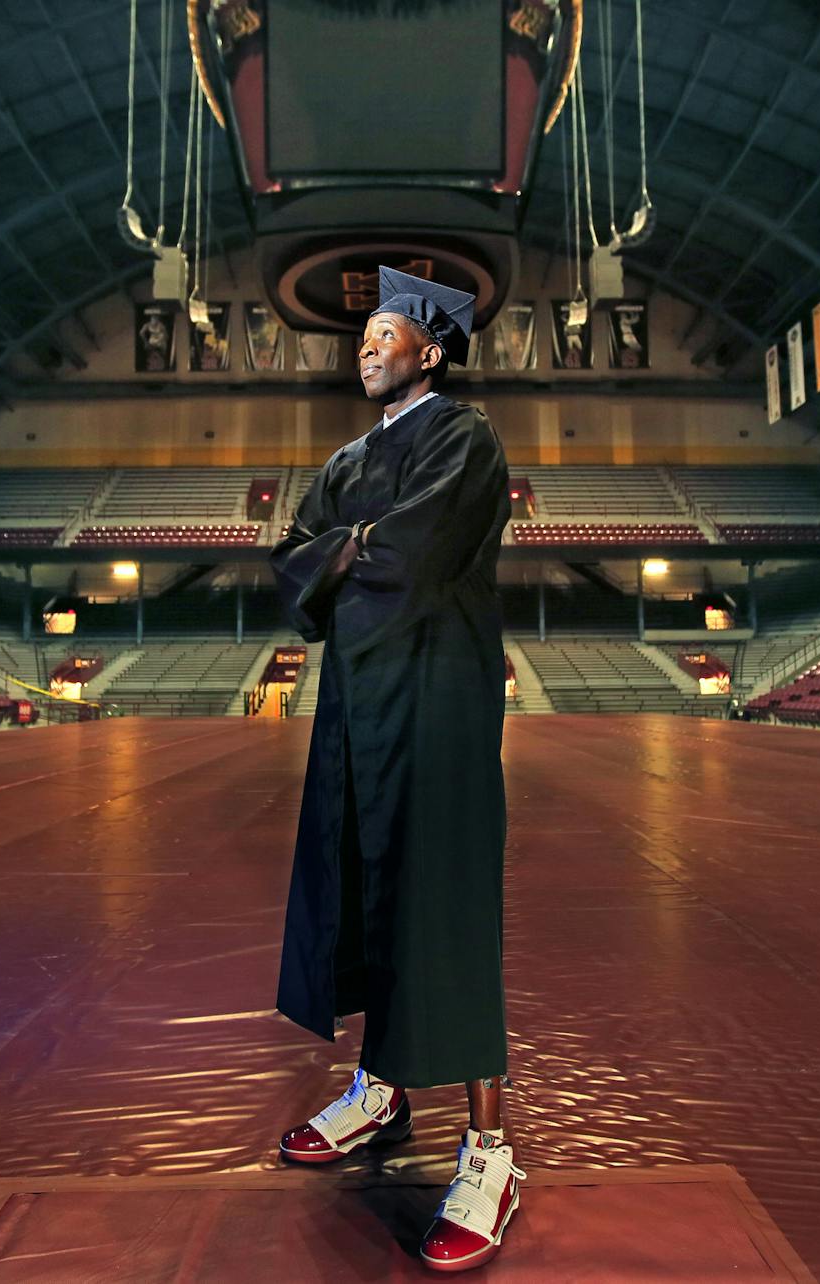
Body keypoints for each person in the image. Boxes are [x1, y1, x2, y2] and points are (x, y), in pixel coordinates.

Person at [270, 266, 520, 1273]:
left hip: (436, 697)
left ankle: (491, 1152)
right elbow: (292, 560)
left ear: (434, 348)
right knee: (361, 892)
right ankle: (380, 1087)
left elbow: (412, 558)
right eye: (361, 336)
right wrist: (345, 551)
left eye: (386, 333)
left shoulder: (463, 440)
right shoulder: (343, 459)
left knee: (440, 901)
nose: (366, 347)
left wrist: (346, 551)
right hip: (352, 710)